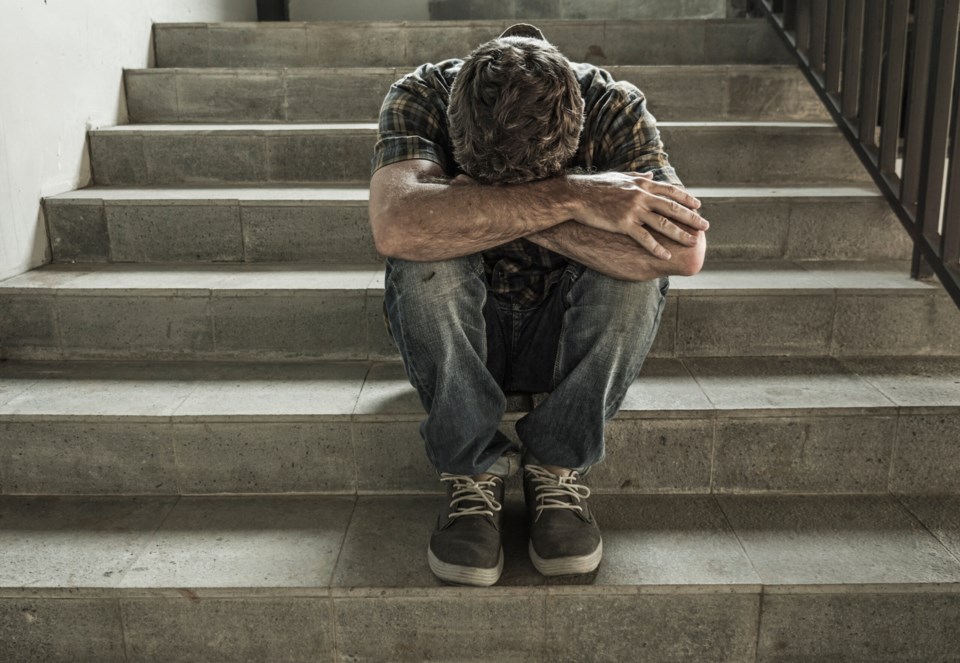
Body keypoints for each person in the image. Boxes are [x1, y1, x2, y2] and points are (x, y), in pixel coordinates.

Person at [369, 23, 708, 586]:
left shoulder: (612, 106)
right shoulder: (422, 93)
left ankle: (555, 465)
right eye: (487, 180)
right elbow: (394, 224)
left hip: (562, 338)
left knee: (637, 279)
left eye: (548, 178)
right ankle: (470, 470)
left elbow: (685, 252)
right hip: (465, 340)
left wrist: (471, 202)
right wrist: (572, 197)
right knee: (422, 257)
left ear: (574, 129)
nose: (538, 193)